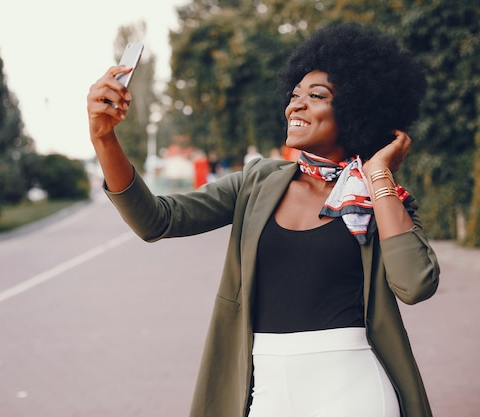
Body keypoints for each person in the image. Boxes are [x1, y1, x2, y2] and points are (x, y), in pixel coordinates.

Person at [86, 22, 440, 417]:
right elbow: (157, 220)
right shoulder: (257, 183)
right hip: (268, 389)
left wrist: (379, 175)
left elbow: (415, 285)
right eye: (294, 95)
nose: (296, 105)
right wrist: (104, 139)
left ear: (358, 108)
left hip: (352, 387)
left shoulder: (381, 200)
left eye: (317, 96)